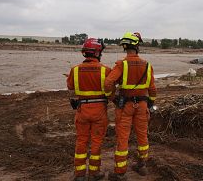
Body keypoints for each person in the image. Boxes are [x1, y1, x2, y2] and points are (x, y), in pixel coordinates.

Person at [105, 32, 157, 181]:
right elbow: (153, 89)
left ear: (124, 47)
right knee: (142, 135)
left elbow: (108, 83)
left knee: (123, 137)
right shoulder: (147, 65)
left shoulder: (121, 65)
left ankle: (120, 173)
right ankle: (142, 166)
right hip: (141, 105)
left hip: (125, 106)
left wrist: (112, 98)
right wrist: (150, 102)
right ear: (137, 46)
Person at [66, 38, 112, 181]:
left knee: (81, 141)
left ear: (85, 53)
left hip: (82, 110)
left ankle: (79, 174)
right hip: (99, 110)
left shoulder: (75, 70)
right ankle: (94, 173)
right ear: (97, 52)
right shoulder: (106, 70)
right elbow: (111, 90)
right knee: (96, 141)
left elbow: (70, 87)